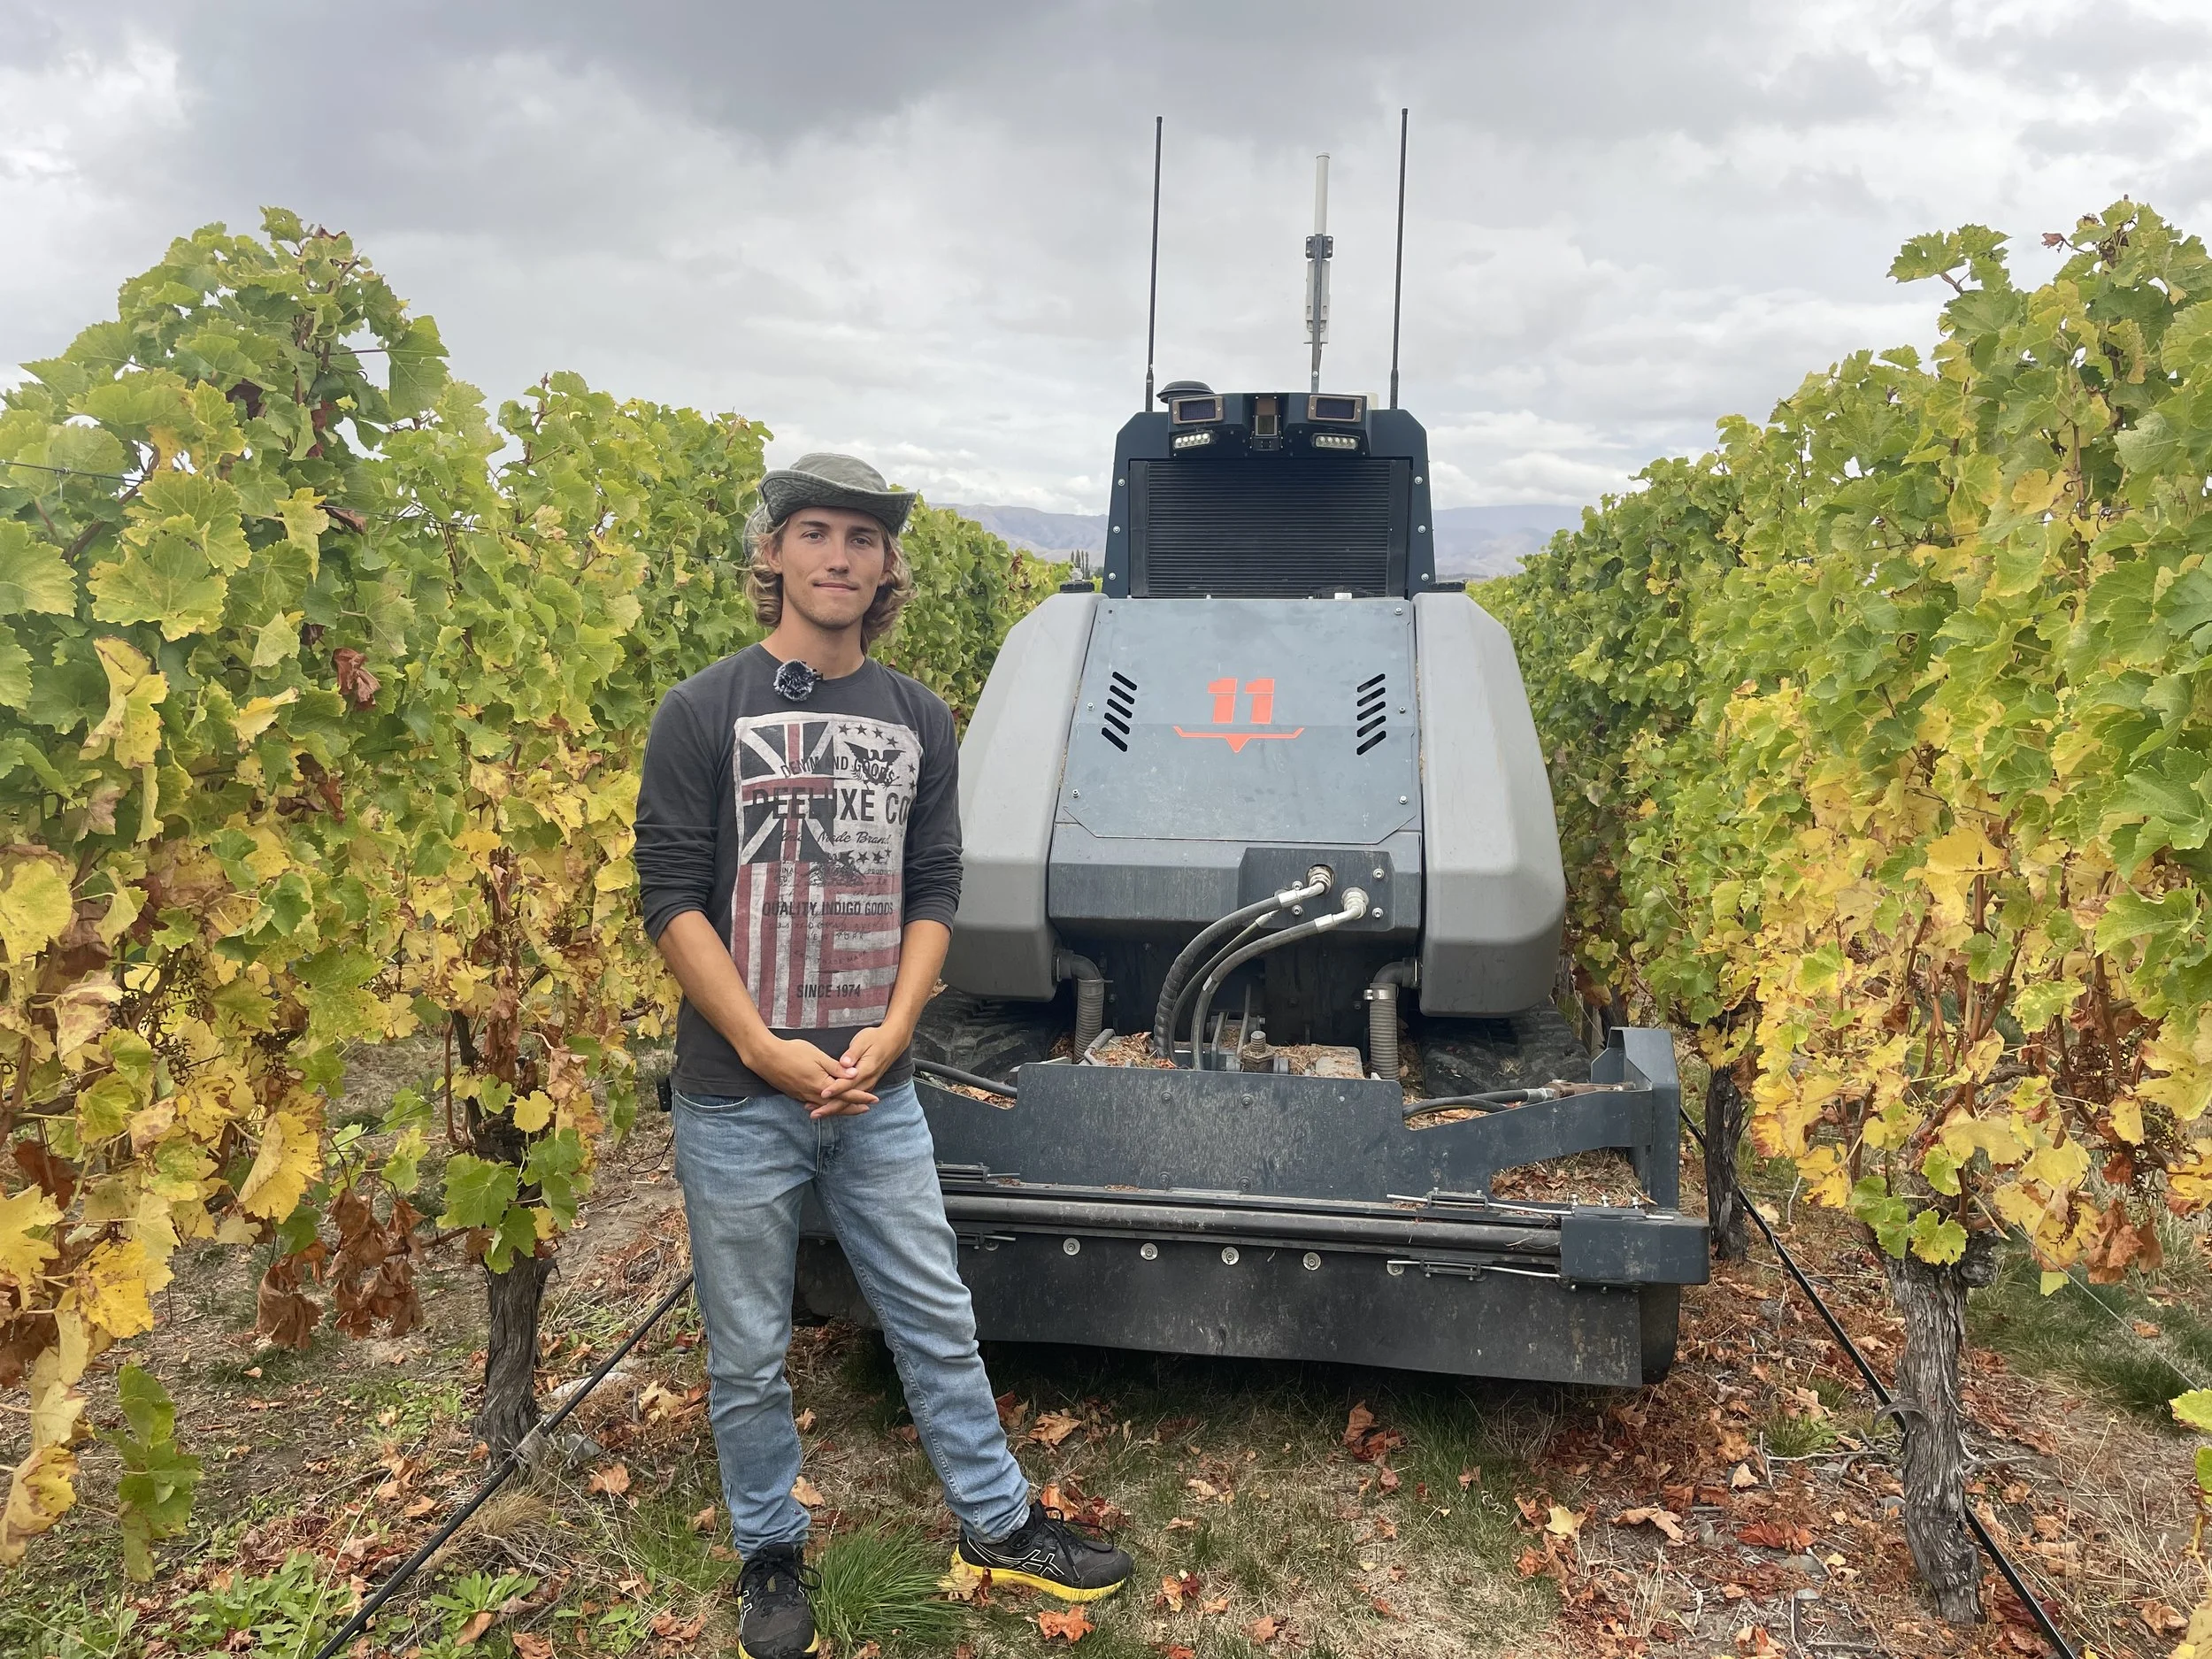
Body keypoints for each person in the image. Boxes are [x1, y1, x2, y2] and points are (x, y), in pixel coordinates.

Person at [634, 453, 1131, 1659]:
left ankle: (997, 1524)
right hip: (736, 1097)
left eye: (861, 536)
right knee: (748, 1350)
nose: (839, 555)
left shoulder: (918, 719)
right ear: (775, 555)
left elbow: (934, 887)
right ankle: (768, 1549)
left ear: (886, 566)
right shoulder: (703, 710)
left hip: (880, 1094)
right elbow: (669, 900)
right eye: (815, 531)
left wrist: (898, 1027)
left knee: (934, 1315)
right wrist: (761, 1045)